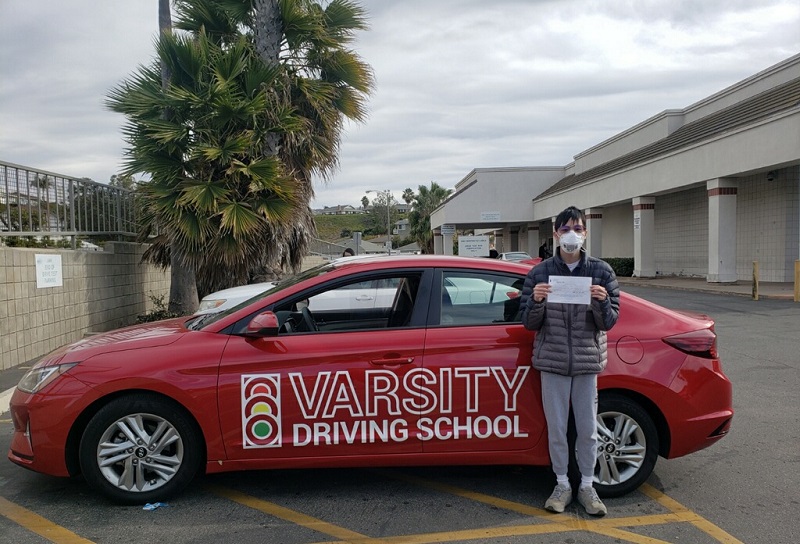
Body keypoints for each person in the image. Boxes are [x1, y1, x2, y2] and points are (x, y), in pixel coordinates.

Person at [520, 206, 620, 516]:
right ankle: (562, 484)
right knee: (558, 428)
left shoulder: (602, 271)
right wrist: (536, 301)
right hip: (552, 363)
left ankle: (587, 486)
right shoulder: (539, 273)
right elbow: (528, 323)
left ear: (585, 232)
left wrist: (603, 302)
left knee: (589, 429)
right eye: (565, 229)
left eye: (576, 228)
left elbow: (610, 322)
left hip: (586, 362)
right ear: (556, 234)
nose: (571, 234)